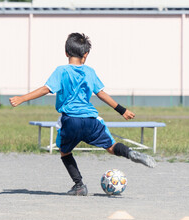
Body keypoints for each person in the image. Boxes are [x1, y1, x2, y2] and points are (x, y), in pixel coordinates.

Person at [9, 33, 156, 196]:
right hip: (91, 120)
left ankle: (79, 185)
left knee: (64, 151)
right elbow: (101, 94)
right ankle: (129, 153)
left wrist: (22, 98)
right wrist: (123, 110)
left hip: (71, 120)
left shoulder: (61, 71)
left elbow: (46, 89)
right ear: (85, 55)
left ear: (66, 52)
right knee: (111, 147)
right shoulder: (89, 71)